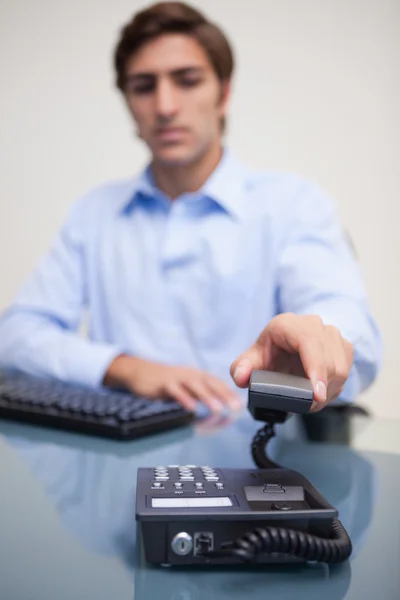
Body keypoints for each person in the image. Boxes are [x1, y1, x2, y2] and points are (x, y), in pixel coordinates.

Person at [0, 2, 382, 415]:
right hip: (120, 455)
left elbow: (347, 326)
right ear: (128, 102)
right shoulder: (94, 213)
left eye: (187, 81)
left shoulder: (294, 205)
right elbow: (16, 336)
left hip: (253, 458)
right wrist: (122, 367)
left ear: (224, 92)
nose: (165, 106)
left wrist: (320, 342)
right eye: (144, 86)